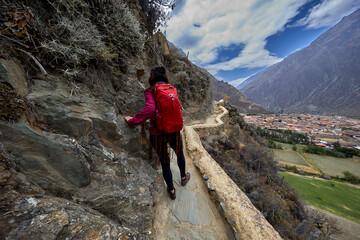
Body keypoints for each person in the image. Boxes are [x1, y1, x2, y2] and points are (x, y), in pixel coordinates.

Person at [124, 66, 190, 200]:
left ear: (151, 77)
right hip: (174, 130)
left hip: (158, 132)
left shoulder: (151, 91)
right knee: (179, 153)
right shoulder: (171, 88)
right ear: (165, 76)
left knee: (165, 162)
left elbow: (150, 109)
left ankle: (171, 190)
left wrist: (133, 121)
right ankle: (183, 177)